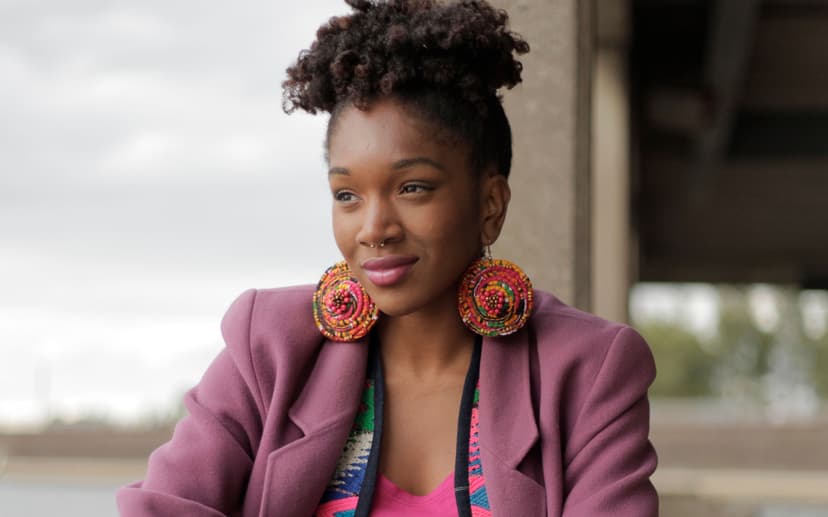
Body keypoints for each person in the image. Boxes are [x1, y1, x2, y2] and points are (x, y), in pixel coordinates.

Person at [116, 0, 659, 515]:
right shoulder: (270, 349)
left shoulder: (588, 370)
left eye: (413, 188)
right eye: (347, 195)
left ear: (490, 205)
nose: (374, 229)